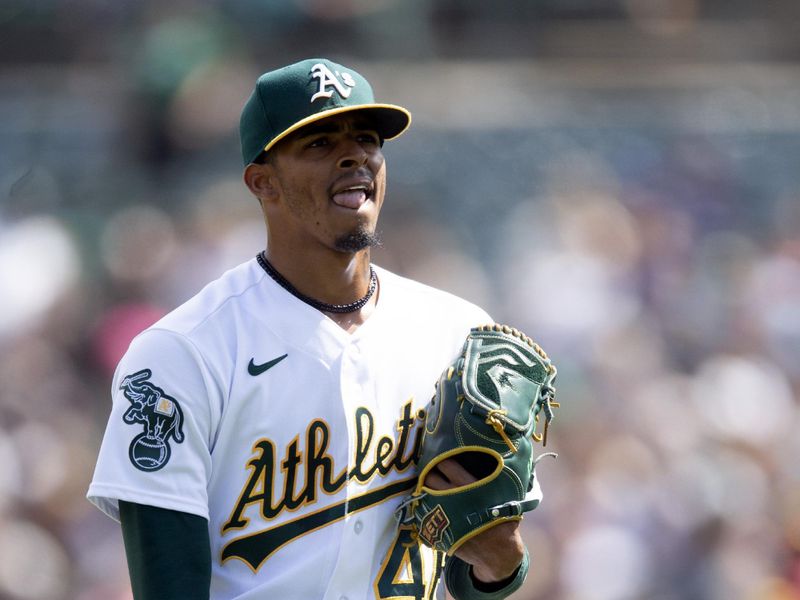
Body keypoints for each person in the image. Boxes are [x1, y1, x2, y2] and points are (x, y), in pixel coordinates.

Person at [88, 58, 531, 600]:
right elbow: (168, 586)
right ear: (262, 182)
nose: (355, 157)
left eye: (367, 138)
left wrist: (502, 563)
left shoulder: (458, 332)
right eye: (319, 143)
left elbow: (477, 576)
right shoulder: (181, 354)